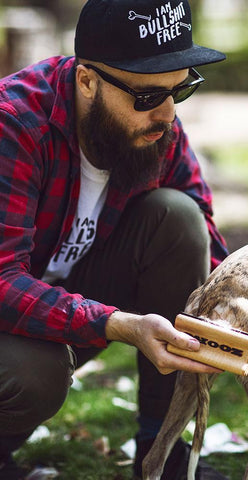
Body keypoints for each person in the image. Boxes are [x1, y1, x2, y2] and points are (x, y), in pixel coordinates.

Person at [0, 0, 232, 478]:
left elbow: (199, 221)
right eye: (147, 96)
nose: (167, 114)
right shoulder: (14, 124)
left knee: (177, 217)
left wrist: (244, 304)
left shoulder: (155, 123)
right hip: (14, 319)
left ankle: (161, 452)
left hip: (67, 302)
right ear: (87, 81)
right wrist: (115, 323)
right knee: (36, 373)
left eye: (181, 89)